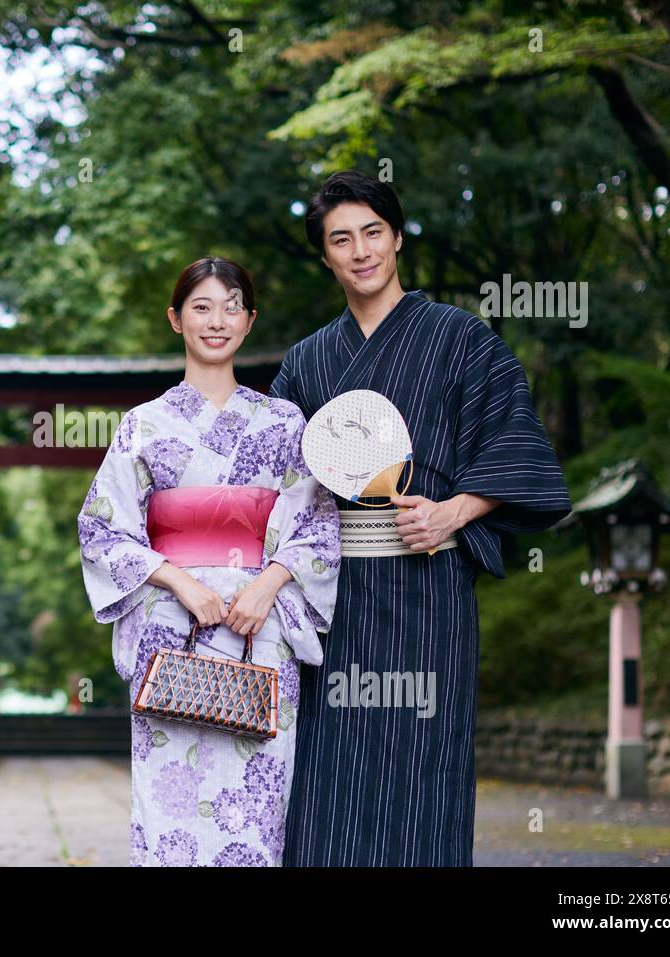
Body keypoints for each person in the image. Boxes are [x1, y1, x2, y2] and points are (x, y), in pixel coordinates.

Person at [270, 170, 572, 866]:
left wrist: (454, 513)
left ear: (398, 238)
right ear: (325, 256)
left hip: (428, 589)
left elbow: (517, 446)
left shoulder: (461, 338)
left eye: (373, 232)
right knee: (326, 778)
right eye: (340, 239)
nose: (360, 250)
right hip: (331, 600)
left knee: (423, 770)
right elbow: (276, 486)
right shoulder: (306, 362)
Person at [78, 256, 341, 867]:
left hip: (261, 629)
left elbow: (320, 529)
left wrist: (269, 584)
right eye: (201, 306)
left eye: (231, 307)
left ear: (249, 321)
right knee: (169, 811)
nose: (216, 320)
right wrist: (179, 581)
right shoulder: (142, 426)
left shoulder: (284, 423)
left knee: (255, 813)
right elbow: (100, 530)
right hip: (173, 632)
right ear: (176, 320)